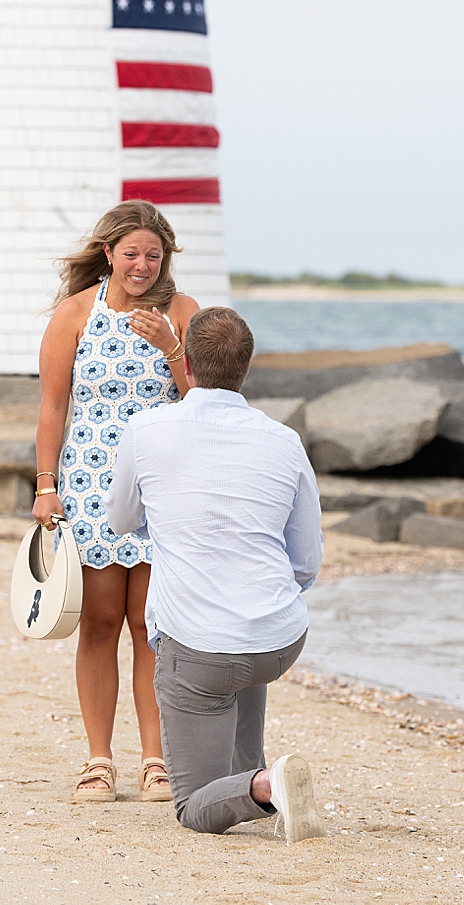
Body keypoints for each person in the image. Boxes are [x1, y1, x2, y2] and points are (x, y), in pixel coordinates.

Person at [104, 306, 327, 842]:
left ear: (186, 358)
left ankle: (265, 786)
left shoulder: (147, 428)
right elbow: (306, 561)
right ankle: (260, 776)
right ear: (245, 366)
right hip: (279, 639)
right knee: (240, 656)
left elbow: (121, 520)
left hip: (201, 647)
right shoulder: (283, 440)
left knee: (192, 808)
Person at [34, 200, 200, 802]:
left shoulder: (183, 312)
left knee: (152, 625)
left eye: (153, 255)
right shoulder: (75, 313)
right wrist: (45, 485)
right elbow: (53, 406)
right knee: (100, 621)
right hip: (91, 484)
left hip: (162, 485)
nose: (143, 266)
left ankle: (156, 760)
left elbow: (205, 399)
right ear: (108, 254)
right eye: (131, 254)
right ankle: (98, 760)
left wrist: (175, 348)